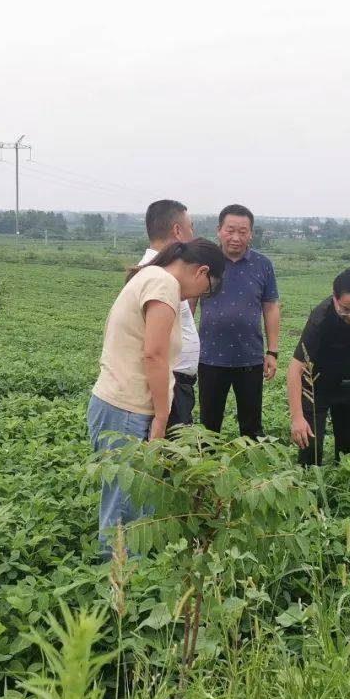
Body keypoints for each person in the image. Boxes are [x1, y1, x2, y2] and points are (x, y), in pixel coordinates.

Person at [88, 238, 225, 556]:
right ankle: (121, 592)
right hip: (127, 409)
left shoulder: (152, 276)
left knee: (128, 499)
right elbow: (154, 355)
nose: (198, 297)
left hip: (116, 404)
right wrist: (162, 417)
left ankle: (125, 587)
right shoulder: (164, 285)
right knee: (127, 511)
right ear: (201, 271)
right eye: (205, 289)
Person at [197, 204, 280, 440]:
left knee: (252, 425)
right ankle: (207, 471)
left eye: (243, 231)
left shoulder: (262, 264)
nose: (236, 237)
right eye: (230, 230)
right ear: (219, 230)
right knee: (209, 425)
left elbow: (271, 307)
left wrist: (272, 352)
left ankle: (254, 471)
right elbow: (190, 303)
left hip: (250, 358)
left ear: (251, 233)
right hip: (210, 357)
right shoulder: (205, 262)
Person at [288, 269, 350, 466]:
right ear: (334, 297)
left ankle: (345, 493)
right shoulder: (320, 318)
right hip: (317, 388)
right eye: (345, 309)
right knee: (309, 452)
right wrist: (296, 418)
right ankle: (308, 489)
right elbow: (294, 368)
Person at [138, 200, 200, 429]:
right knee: (172, 456)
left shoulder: (158, 270)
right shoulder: (161, 276)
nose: (192, 235)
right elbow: (154, 350)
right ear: (177, 230)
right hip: (170, 382)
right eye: (190, 227)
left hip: (176, 381)